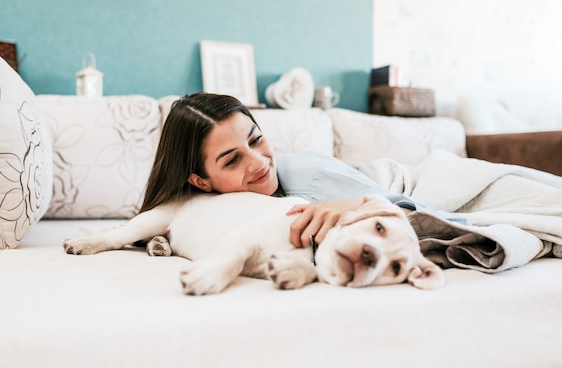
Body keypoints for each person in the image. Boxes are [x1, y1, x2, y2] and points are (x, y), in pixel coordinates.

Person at [139, 92, 562, 262]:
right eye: (232, 161)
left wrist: (360, 205)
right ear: (200, 181)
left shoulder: (309, 177)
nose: (258, 162)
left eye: (256, 140)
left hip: (419, 184)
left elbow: (423, 214)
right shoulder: (200, 208)